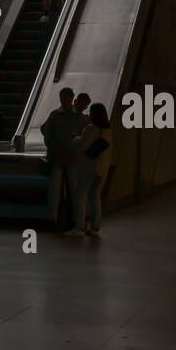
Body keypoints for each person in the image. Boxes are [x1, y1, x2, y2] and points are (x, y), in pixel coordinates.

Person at [40, 86, 84, 225]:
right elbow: (48, 137)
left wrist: (59, 150)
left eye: (65, 98)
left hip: (66, 156)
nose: (63, 101)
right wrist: (59, 150)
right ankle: (53, 217)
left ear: (71, 99)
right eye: (62, 98)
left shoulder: (73, 116)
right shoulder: (58, 115)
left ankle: (73, 218)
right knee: (56, 189)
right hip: (61, 156)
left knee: (71, 188)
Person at [67, 101, 112, 237]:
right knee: (94, 196)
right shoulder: (108, 130)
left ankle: (79, 227)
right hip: (101, 169)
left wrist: (75, 137)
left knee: (80, 196)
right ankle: (95, 227)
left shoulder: (91, 128)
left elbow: (82, 146)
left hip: (89, 168)